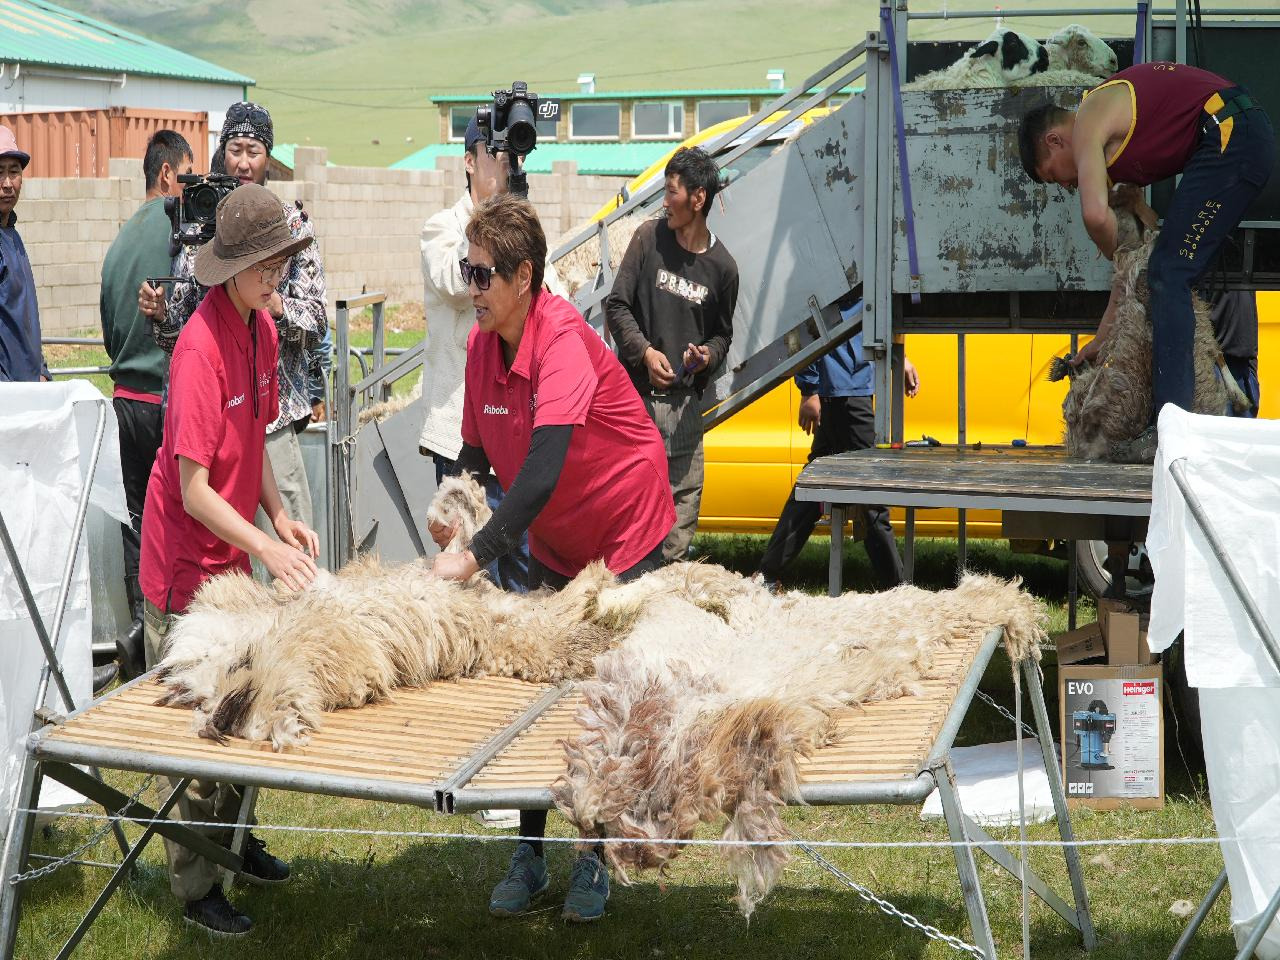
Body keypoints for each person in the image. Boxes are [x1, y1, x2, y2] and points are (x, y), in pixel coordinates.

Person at [427, 194, 674, 923]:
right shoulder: (480, 345)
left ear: (523, 276)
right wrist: (457, 514)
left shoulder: (562, 339)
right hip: (558, 535)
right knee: (538, 694)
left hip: (623, 528)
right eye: (467, 273)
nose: (470, 289)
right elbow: (476, 455)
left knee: (604, 697)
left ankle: (592, 858)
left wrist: (474, 557)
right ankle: (529, 855)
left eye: (480, 276)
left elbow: (540, 467)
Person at [139, 184, 320, 936]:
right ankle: (195, 887)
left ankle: (236, 844)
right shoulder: (197, 351)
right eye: (262, 261)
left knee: (244, 705)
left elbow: (255, 446)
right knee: (195, 737)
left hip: (233, 565)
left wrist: (279, 513)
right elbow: (193, 490)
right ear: (229, 268)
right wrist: (269, 547)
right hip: (184, 569)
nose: (275, 273)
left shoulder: (263, 330)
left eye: (281, 259)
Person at [1018, 61, 1275, 461]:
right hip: (1234, 135)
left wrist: (1113, 248)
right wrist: (1103, 338)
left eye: (1056, 177)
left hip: (1230, 132)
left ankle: (1171, 426)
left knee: (1169, 273)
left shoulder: (1087, 121)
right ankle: (1172, 419)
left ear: (1055, 140)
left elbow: (1095, 216)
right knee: (1165, 270)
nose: (1067, 186)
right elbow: (1136, 264)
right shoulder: (1111, 145)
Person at [138, 101, 328, 542]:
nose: (243, 161)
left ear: (268, 159)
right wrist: (163, 313)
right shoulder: (202, 225)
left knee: (290, 542)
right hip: (208, 411)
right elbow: (182, 334)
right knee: (216, 544)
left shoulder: (291, 226)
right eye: (235, 148)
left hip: (269, 418)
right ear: (222, 151)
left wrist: (269, 300)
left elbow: (317, 320)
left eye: (254, 150)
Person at [417, 116, 567, 593]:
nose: (503, 165)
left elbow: (551, 299)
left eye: (510, 157)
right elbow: (452, 278)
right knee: (468, 570)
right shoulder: (440, 228)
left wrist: (514, 221)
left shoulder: (523, 234)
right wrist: (489, 228)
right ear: (468, 161)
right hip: (462, 436)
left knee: (522, 567)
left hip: (516, 432)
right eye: (492, 155)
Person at [606, 146, 737, 562]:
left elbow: (722, 337)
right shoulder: (649, 238)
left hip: (685, 412)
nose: (664, 202)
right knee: (630, 519)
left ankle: (666, 603)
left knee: (679, 527)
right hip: (636, 405)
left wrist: (706, 358)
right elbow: (617, 306)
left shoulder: (724, 268)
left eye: (671, 191)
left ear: (698, 199)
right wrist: (644, 353)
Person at [99, 130, 195, 678]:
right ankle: (174, 641)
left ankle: (139, 633)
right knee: (178, 520)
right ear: (167, 175)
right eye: (188, 173)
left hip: (123, 403)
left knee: (137, 525)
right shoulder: (177, 230)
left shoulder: (117, 243)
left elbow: (111, 330)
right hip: (163, 401)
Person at [757, 327, 918, 592]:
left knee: (812, 488)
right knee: (870, 492)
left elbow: (872, 315)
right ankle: (897, 589)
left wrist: (898, 357)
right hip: (845, 390)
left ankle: (768, 574)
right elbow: (804, 326)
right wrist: (809, 389)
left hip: (848, 385)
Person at [0, 125, 48, 383]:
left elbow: (24, 320)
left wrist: (41, 369)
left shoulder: (12, 235)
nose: (8, 183)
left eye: (14, 172)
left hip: (26, 398)